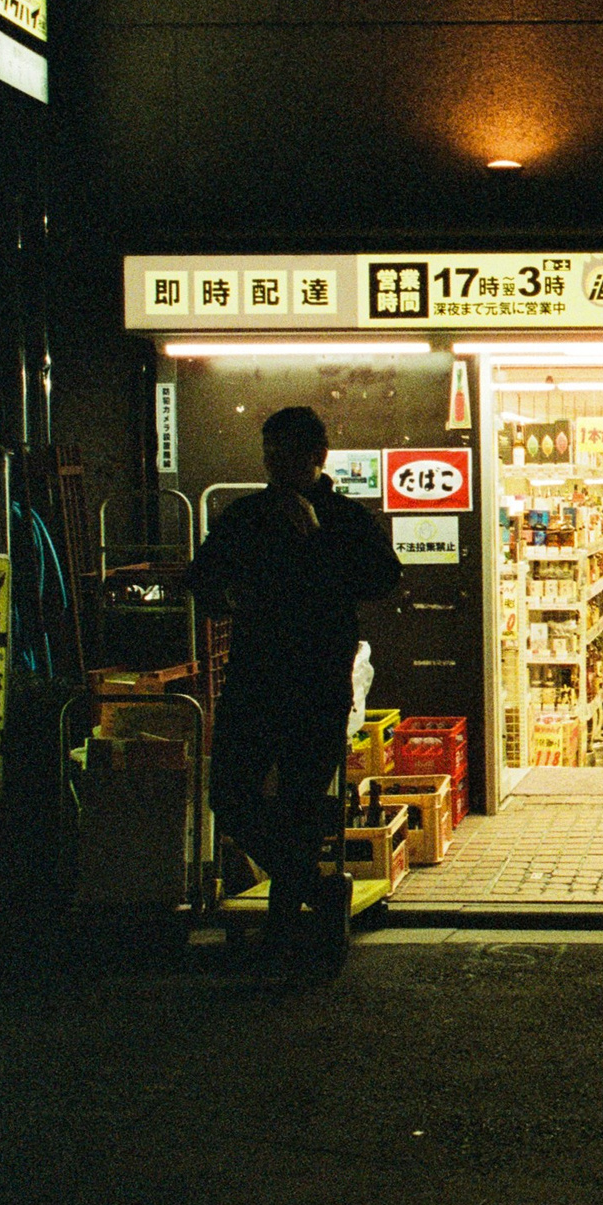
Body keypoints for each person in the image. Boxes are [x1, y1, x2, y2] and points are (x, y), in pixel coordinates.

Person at [189, 406, 401, 967]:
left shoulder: (343, 518)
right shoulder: (247, 515)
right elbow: (202, 579)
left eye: (288, 455)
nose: (277, 467)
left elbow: (383, 578)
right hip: (255, 677)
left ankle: (286, 932)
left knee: (301, 808)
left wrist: (318, 539)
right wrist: (230, 598)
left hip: (317, 681)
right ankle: (319, 893)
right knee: (229, 796)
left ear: (317, 457)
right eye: (269, 456)